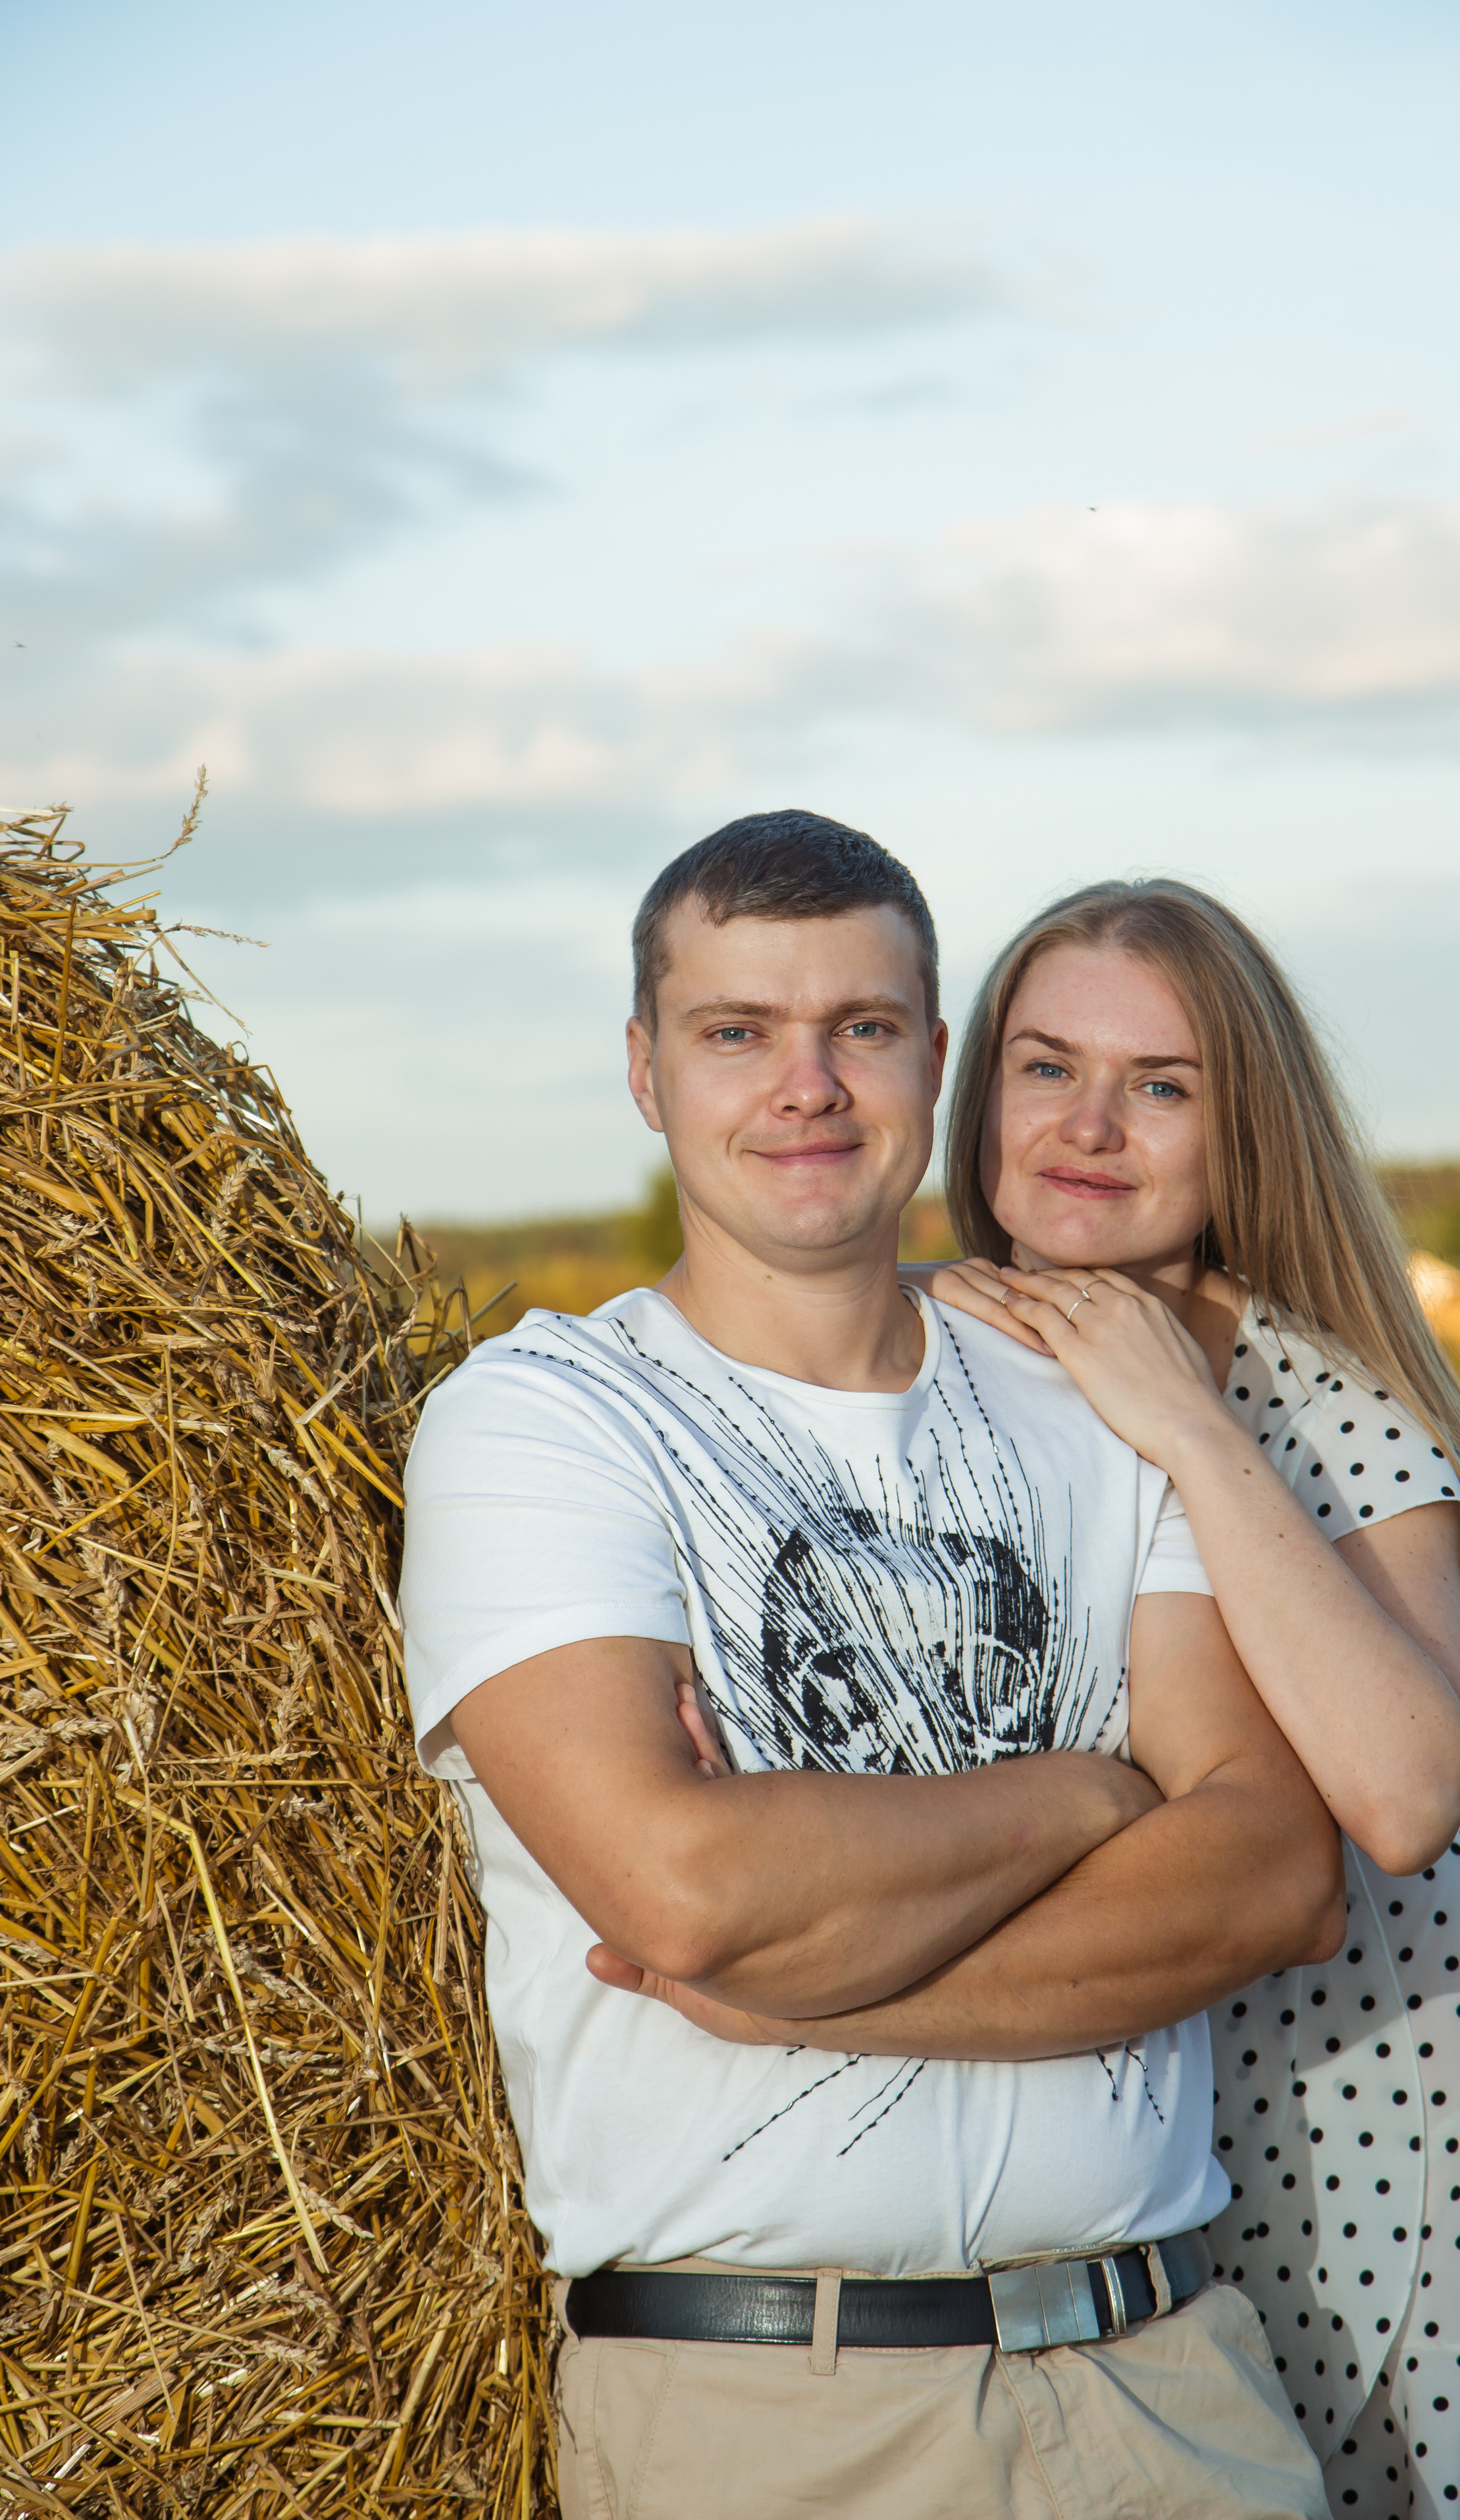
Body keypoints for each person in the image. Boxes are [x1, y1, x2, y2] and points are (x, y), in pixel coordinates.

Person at [399, 812, 1349, 2520]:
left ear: (934, 1057)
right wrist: (1091, 1791)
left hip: (1169, 2384)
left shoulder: (1103, 1395)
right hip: (769, 2419)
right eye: (736, 1031)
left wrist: (794, 1961)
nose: (808, 1086)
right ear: (644, 1069)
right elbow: (683, 1892)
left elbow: (1276, 1874)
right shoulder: (545, 1425)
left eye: (863, 1027)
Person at [910, 875, 1460, 2520]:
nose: (1089, 1126)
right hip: (1102, 2106)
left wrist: (1184, 1425)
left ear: (1236, 1131)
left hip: (1388, 2108)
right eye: (1045, 1067)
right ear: (976, 1087)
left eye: (1161, 1086)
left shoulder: (1308, 1385)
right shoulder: (904, 1341)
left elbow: (1406, 1795)